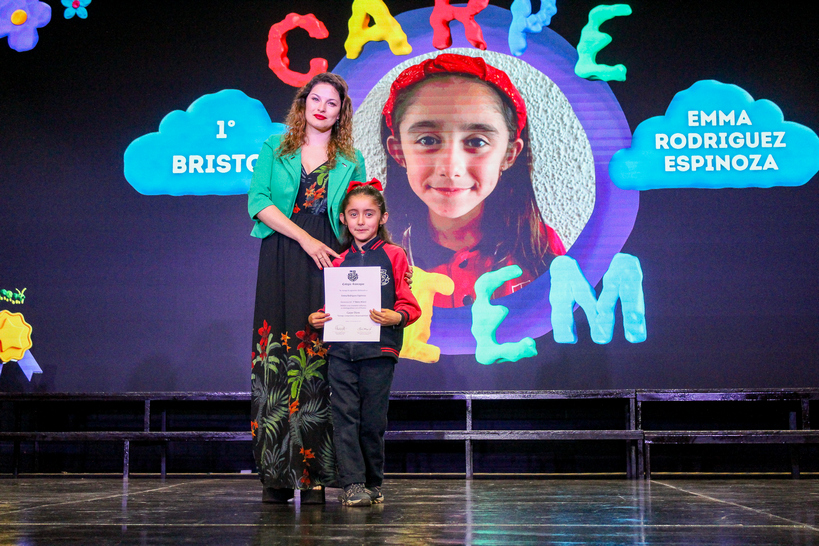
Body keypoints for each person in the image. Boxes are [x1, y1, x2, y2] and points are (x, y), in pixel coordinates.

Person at [248, 73, 366, 504]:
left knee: (318, 361)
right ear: (303, 104)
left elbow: (361, 213)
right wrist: (304, 238)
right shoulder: (275, 148)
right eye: (315, 99)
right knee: (276, 359)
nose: (322, 108)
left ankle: (314, 476)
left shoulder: (351, 159)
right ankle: (277, 477)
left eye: (331, 103)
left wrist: (381, 261)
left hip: (329, 260)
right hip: (282, 255)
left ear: (340, 113)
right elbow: (259, 202)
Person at [381, 53, 566, 308]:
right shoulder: (374, 253)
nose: (451, 169)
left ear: (509, 155)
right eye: (428, 140)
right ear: (399, 152)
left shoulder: (540, 246)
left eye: (477, 141)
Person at [308, 180, 421, 506]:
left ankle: (373, 482)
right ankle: (353, 484)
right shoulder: (337, 260)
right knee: (345, 419)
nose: (361, 221)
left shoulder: (394, 255)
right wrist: (318, 318)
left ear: (383, 218)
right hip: (341, 352)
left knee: (372, 421)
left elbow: (410, 305)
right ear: (343, 218)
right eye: (354, 214)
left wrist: (396, 316)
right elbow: (332, 305)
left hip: (379, 352)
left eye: (369, 214)